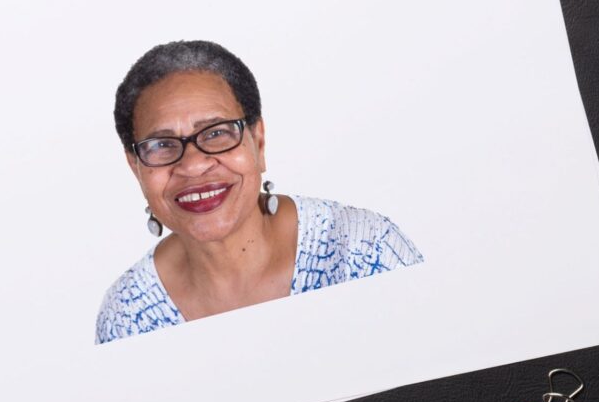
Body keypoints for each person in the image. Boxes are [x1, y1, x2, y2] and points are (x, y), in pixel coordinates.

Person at [96, 40, 423, 345]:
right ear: (136, 168)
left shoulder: (363, 251)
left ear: (259, 141)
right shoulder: (128, 316)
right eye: (162, 145)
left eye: (216, 133)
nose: (193, 166)